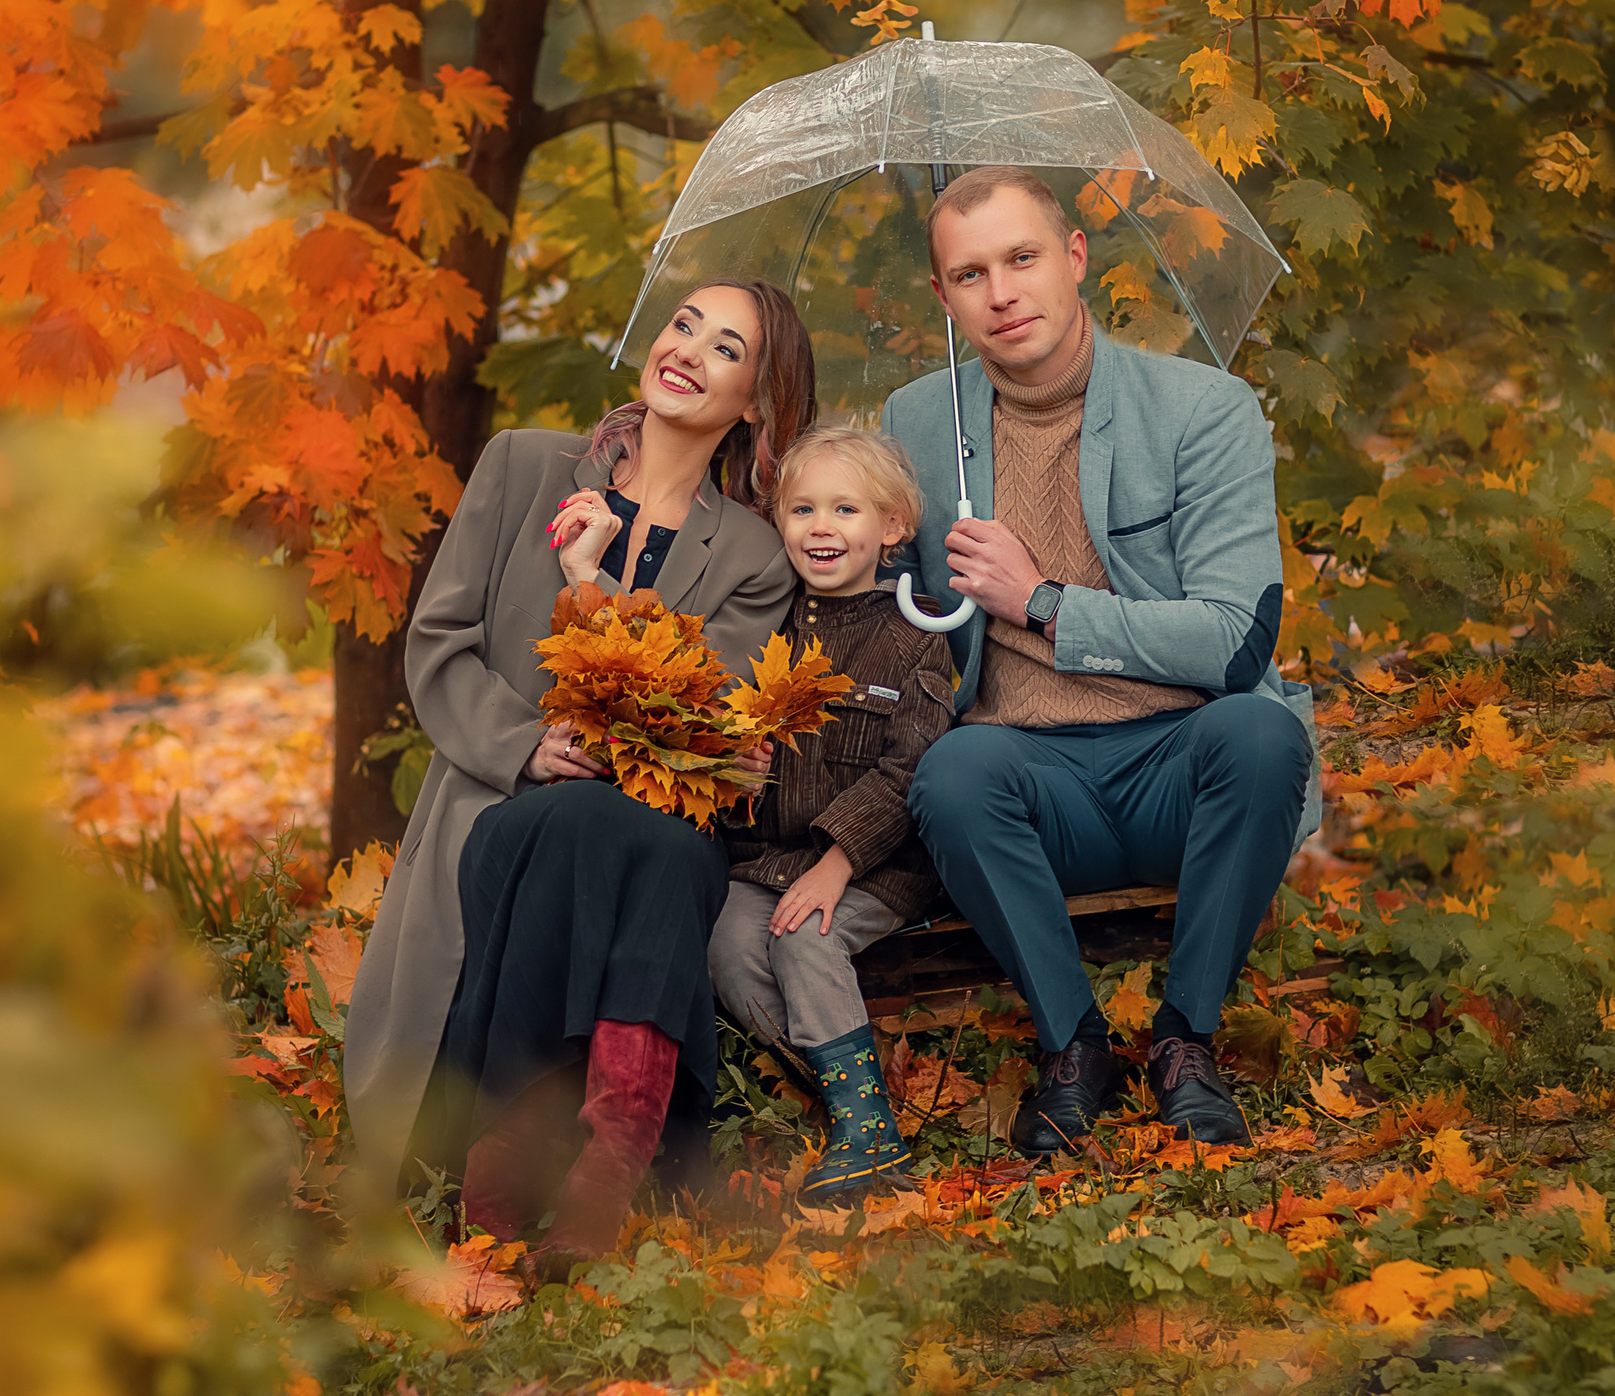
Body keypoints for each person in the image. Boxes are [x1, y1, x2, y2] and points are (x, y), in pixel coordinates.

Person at [341, 280, 816, 1262]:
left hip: (650, 817)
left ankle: (528, 1165)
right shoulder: (523, 467)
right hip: (503, 799)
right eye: (684, 323)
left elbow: (692, 722)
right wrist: (521, 745)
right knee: (570, 823)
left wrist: (591, 588)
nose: (686, 348)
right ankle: (593, 1157)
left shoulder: (754, 557)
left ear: (755, 403)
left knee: (625, 828)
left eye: (725, 348)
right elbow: (437, 643)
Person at [882, 165, 1321, 1155]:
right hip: (1029, 784)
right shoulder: (918, 425)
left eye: (1022, 258)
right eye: (968, 274)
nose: (1001, 294)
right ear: (945, 298)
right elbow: (871, 592)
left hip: (1181, 770)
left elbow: (1234, 639)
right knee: (952, 772)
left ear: (1075, 258)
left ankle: (1184, 1041)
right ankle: (1074, 1047)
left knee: (1260, 731)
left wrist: (1038, 600)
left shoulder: (1203, 409)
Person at [705, 428, 955, 1199]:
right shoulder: (762, 626)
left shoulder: (918, 633)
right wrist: (734, 770)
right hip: (764, 859)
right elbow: (725, 736)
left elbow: (909, 766)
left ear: (891, 526)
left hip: (876, 865)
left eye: (845, 508)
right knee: (729, 944)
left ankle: (867, 1131)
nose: (821, 526)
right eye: (802, 508)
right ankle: (843, 1094)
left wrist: (836, 866)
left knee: (805, 939)